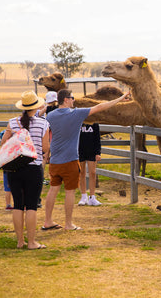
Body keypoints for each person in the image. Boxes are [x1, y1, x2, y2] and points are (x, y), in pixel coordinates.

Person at [43, 88, 130, 231]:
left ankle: (47, 221)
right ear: (66, 100)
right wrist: (120, 99)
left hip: (54, 161)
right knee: (70, 192)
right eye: (72, 98)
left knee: (53, 190)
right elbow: (100, 107)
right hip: (70, 160)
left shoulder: (50, 116)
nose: (73, 100)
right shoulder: (76, 114)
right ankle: (68, 224)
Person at [1, 90, 50, 249]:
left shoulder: (12, 122)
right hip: (34, 169)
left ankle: (20, 241)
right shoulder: (44, 123)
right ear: (36, 106)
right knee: (31, 206)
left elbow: (3, 144)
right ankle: (32, 242)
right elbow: (45, 147)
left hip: (14, 169)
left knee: (18, 205)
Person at [78, 122, 102, 206]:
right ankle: (83, 196)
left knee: (93, 172)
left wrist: (98, 153)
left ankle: (92, 197)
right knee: (81, 172)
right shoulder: (78, 120)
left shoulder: (94, 123)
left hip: (92, 151)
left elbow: (97, 138)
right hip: (80, 150)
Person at [0, 130, 13, 210]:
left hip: (6, 171)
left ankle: (8, 204)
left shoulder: (3, 150)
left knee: (8, 189)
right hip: (14, 170)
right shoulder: (14, 148)